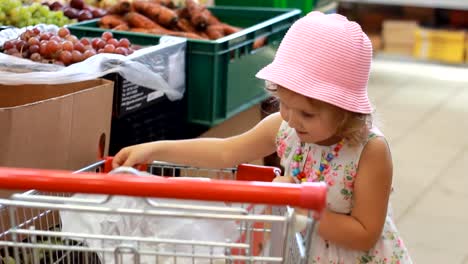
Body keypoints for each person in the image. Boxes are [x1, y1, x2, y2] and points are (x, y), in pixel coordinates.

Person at [113, 11, 412, 263]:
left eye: (307, 114)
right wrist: (155, 150)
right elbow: (225, 152)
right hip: (303, 251)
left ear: (346, 111)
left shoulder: (369, 151)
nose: (293, 120)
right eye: (284, 104)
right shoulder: (283, 127)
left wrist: (299, 205)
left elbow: (364, 234)